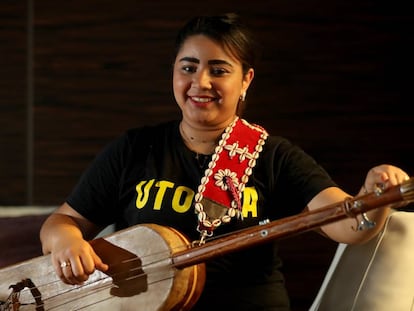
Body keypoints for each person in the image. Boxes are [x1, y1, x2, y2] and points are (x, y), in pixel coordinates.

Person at [40, 13, 410, 310]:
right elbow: (62, 222)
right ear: (173, 72)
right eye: (188, 67)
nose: (200, 82)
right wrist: (67, 242)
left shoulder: (273, 155)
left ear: (246, 80)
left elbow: (348, 227)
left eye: (218, 70)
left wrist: (374, 193)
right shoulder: (136, 149)